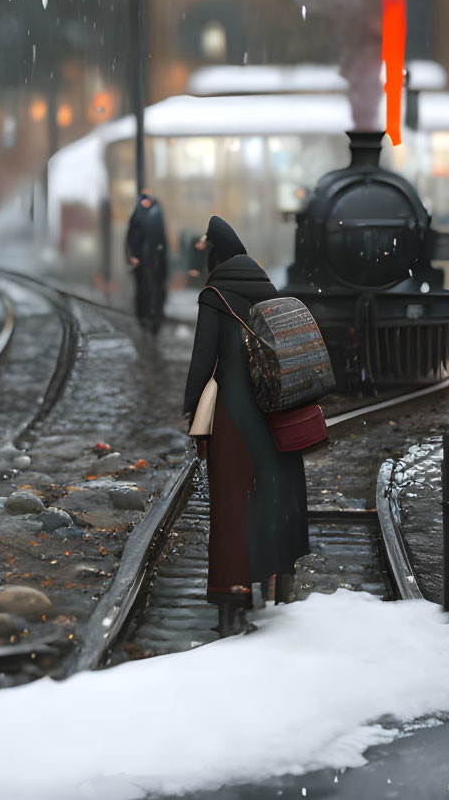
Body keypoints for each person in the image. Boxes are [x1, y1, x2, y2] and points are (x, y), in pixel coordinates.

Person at [182, 216, 309, 636]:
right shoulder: (267, 289)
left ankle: (232, 591)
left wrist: (190, 406)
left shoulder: (214, 295)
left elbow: (203, 359)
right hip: (271, 411)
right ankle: (276, 579)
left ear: (215, 257)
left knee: (231, 502)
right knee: (269, 495)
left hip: (233, 413)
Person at [125, 190, 169, 333]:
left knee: (156, 290)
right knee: (144, 290)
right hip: (143, 264)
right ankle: (145, 317)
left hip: (156, 263)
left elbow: (162, 241)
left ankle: (154, 318)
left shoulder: (156, 216)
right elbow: (131, 240)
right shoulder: (139, 216)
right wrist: (133, 258)